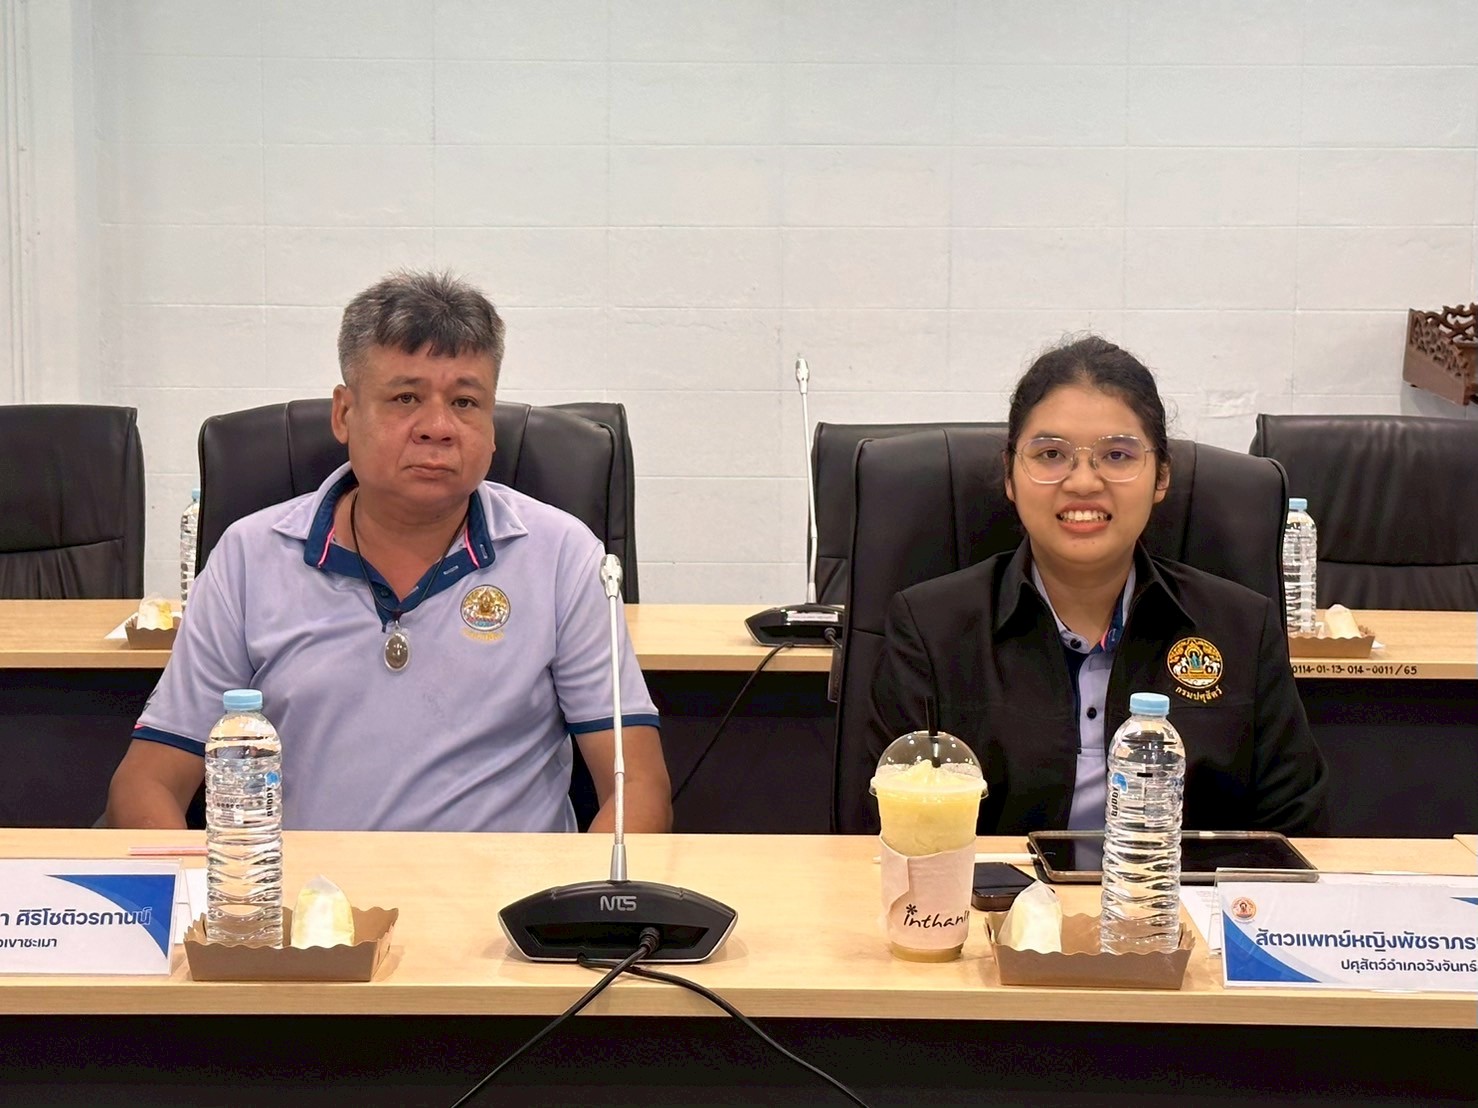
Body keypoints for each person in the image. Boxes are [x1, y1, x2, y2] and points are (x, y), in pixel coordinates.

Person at [107, 271, 672, 834]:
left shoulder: (562, 555)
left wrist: (581, 894)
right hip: (303, 889)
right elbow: (147, 783)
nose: (438, 427)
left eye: (466, 401)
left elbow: (639, 788)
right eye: (406, 398)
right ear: (344, 414)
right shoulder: (250, 557)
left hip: (509, 889)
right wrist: (219, 890)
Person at [864, 337, 1329, 835]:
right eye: (1050, 454)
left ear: (1161, 476)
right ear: (1010, 476)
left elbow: (1298, 833)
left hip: (1182, 888)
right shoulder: (930, 630)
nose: (1083, 482)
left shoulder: (1242, 627)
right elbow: (878, 831)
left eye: (1117, 455)